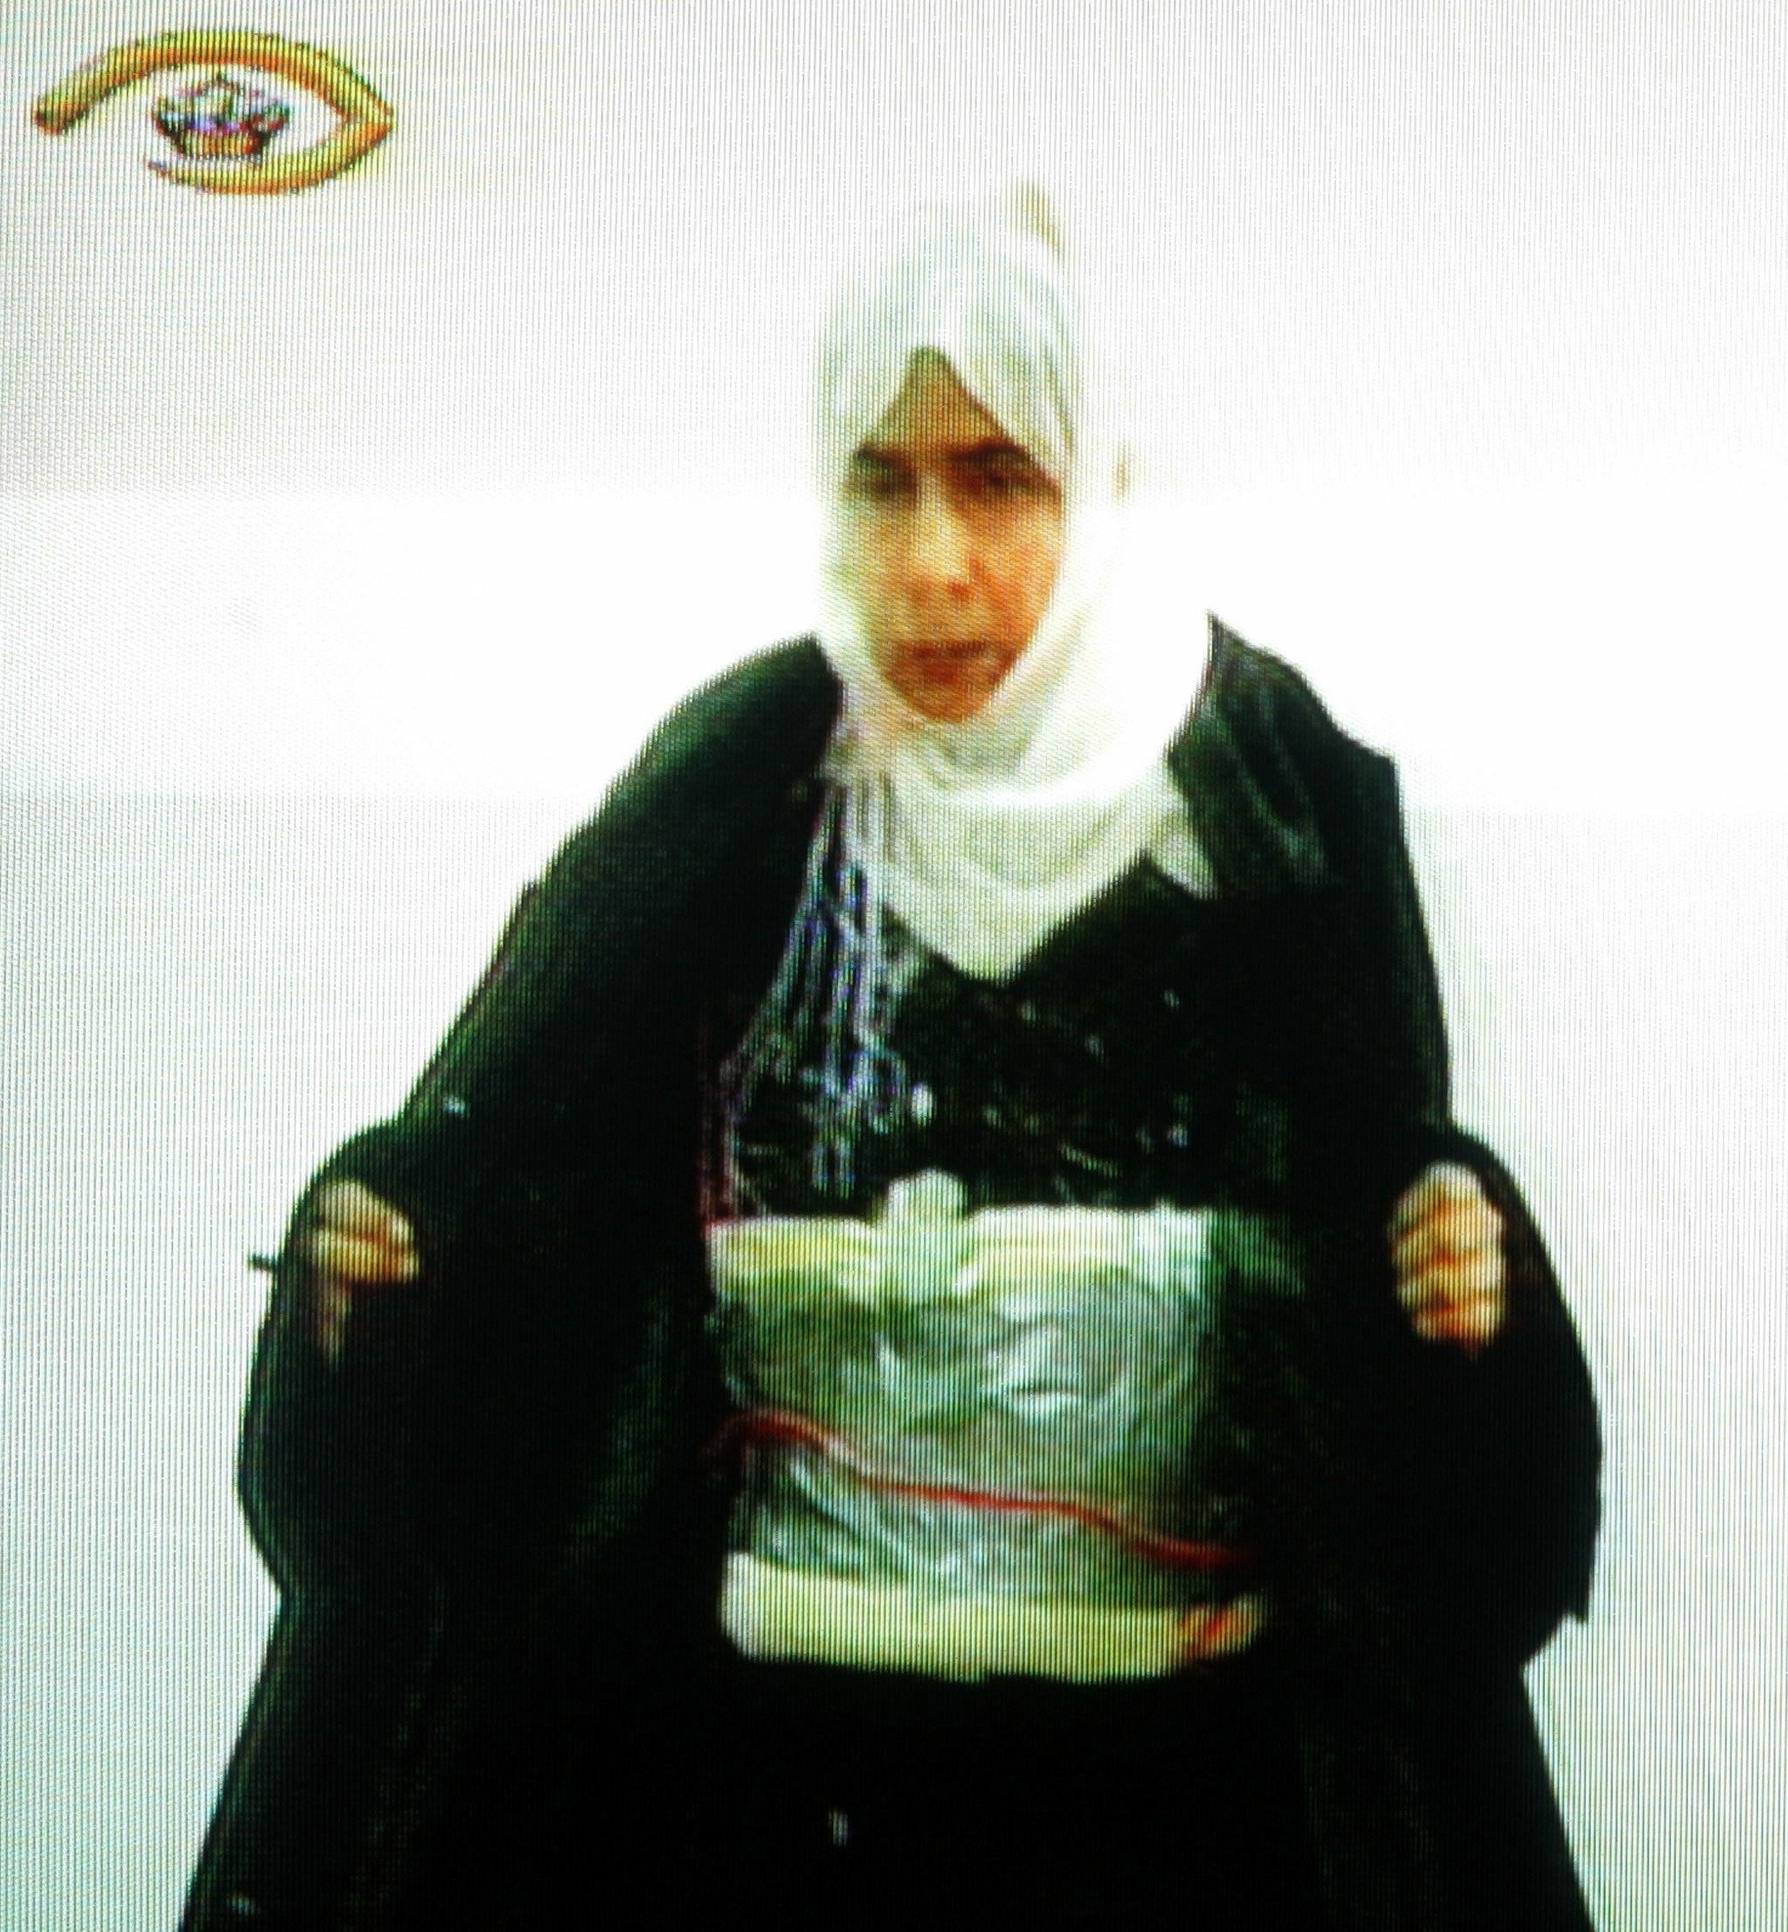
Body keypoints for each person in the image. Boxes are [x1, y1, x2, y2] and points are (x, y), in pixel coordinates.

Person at [182, 194, 1601, 1931]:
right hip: (780, 1805)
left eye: (1000, 479)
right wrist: (396, 1259)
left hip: (1189, 1814)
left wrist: (1462, 1305)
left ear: (1104, 484)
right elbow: (545, 1217)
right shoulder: (746, 793)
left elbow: (1396, 1355)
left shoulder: (1271, 810)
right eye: (880, 482)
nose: (933, 563)